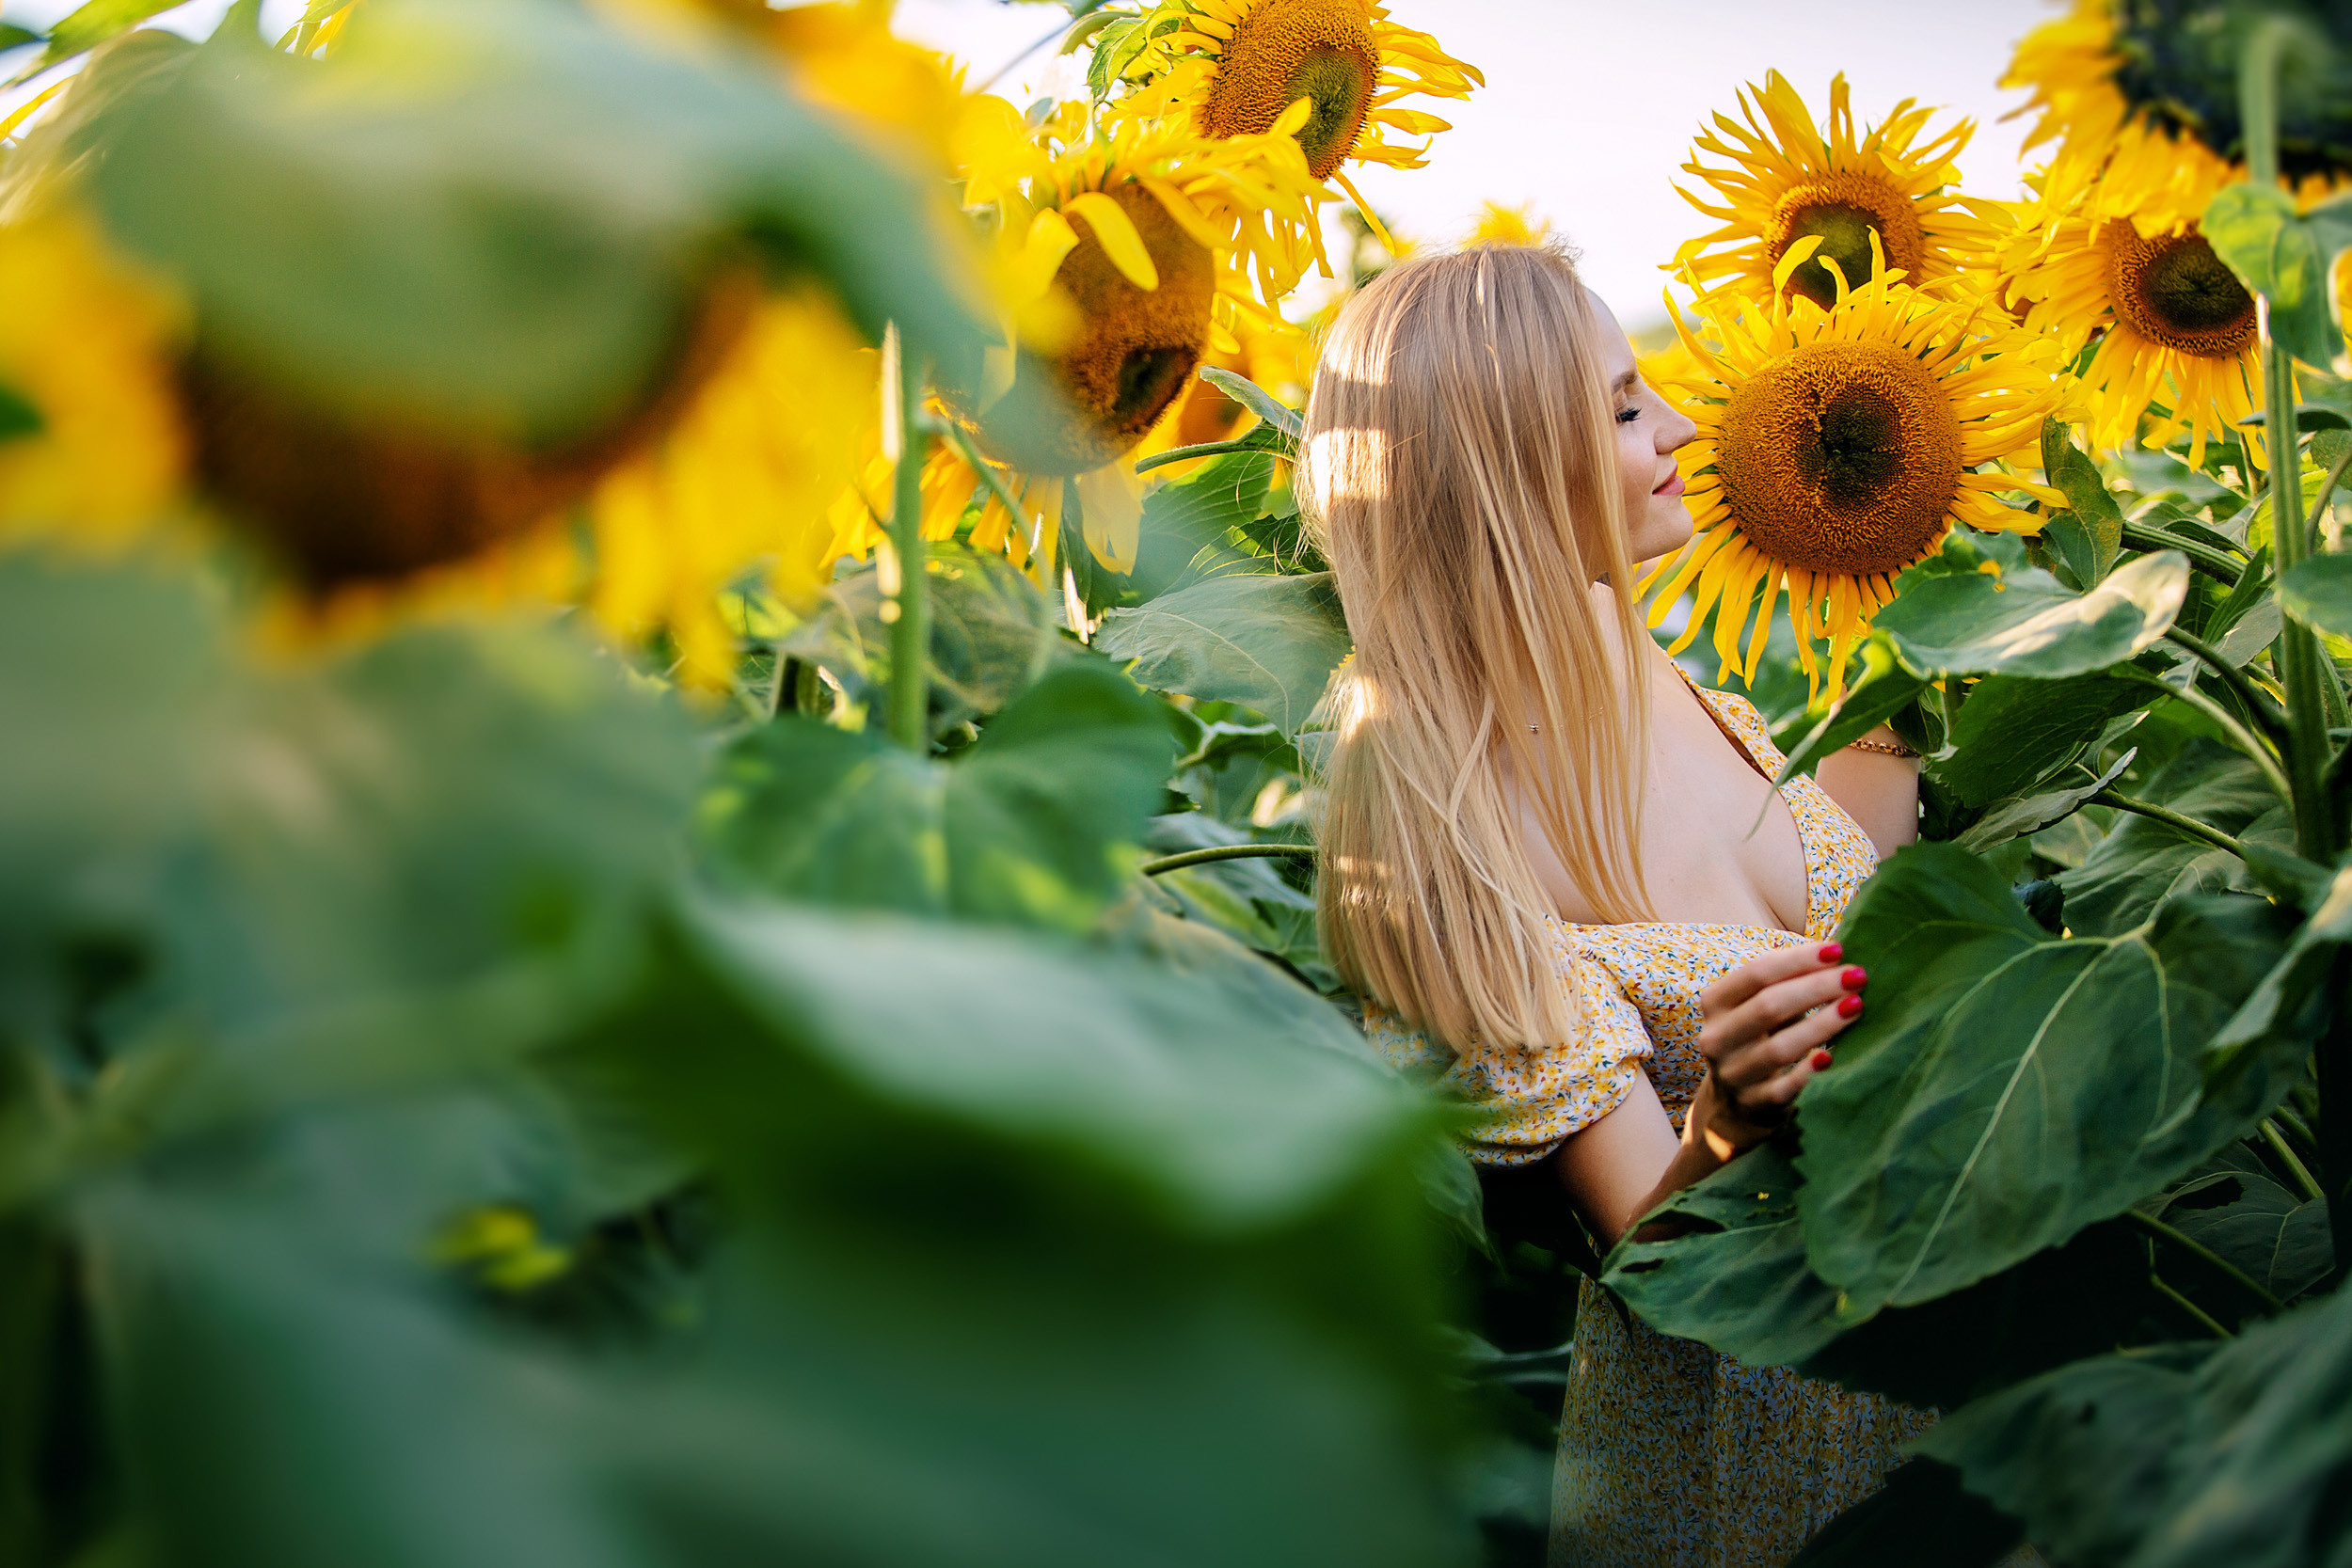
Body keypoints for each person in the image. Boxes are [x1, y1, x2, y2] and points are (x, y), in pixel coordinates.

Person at [1301, 243, 1927, 1567]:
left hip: (1942, 1350)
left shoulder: (1681, 685)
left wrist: (1906, 634)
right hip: (1754, 1445)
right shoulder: (1441, 831)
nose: (1682, 428)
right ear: (1510, 463)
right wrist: (1727, 1123)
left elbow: (1859, 925)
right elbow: (1648, 1246)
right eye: (1628, 407)